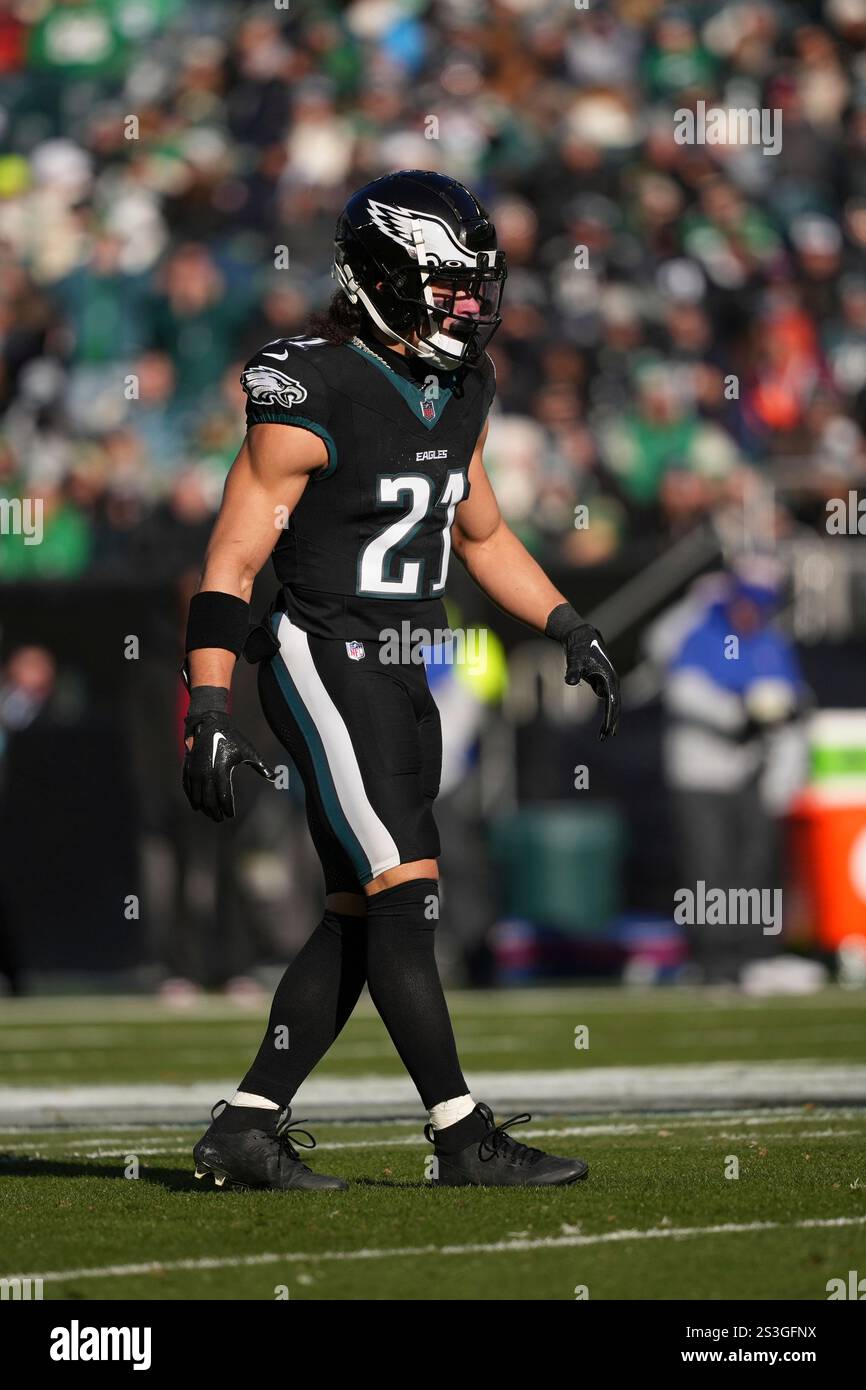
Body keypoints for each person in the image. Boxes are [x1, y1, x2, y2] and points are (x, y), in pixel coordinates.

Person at [181, 171, 620, 1191]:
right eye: (446, 286)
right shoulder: (311, 385)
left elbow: (483, 530)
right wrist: (207, 704)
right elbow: (230, 566)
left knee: (359, 910)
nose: (469, 306)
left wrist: (565, 620)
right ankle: (462, 1136)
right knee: (406, 888)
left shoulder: (463, 385)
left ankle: (244, 1126)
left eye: (476, 286)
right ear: (382, 279)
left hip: (402, 663)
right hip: (319, 655)